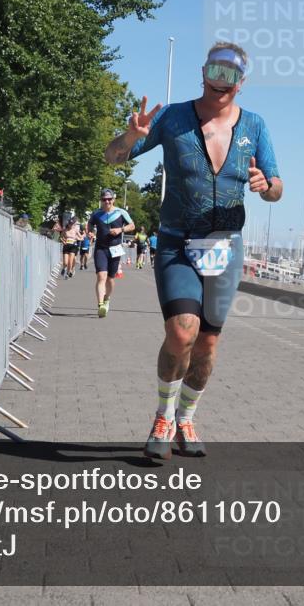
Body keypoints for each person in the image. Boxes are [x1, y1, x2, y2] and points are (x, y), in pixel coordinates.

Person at [104, 41, 281, 459]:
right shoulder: (172, 118)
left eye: (231, 76)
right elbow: (112, 157)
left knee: (206, 346)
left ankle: (186, 418)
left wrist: (265, 186)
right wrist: (132, 135)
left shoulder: (254, 126)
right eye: (215, 72)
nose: (221, 82)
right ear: (202, 73)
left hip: (226, 246)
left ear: (242, 83)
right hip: (176, 243)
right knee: (182, 330)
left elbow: (276, 187)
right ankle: (163, 415)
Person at [87, 189, 135, 318]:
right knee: (101, 276)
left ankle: (107, 298)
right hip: (101, 249)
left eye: (109, 199)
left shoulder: (121, 212)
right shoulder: (96, 214)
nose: (107, 201)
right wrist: (90, 232)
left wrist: (121, 229)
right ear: (101, 200)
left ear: (113, 199)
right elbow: (89, 224)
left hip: (115, 249)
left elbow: (132, 225)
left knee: (110, 278)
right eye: (104, 199)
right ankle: (100, 305)